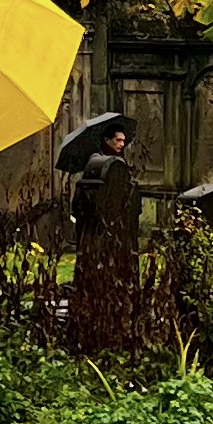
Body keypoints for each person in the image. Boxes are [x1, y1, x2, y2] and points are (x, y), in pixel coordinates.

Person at [62, 118, 139, 355]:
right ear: (106, 140)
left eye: (124, 141)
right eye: (118, 140)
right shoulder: (98, 165)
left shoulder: (118, 166)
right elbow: (82, 206)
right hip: (98, 237)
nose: (122, 144)